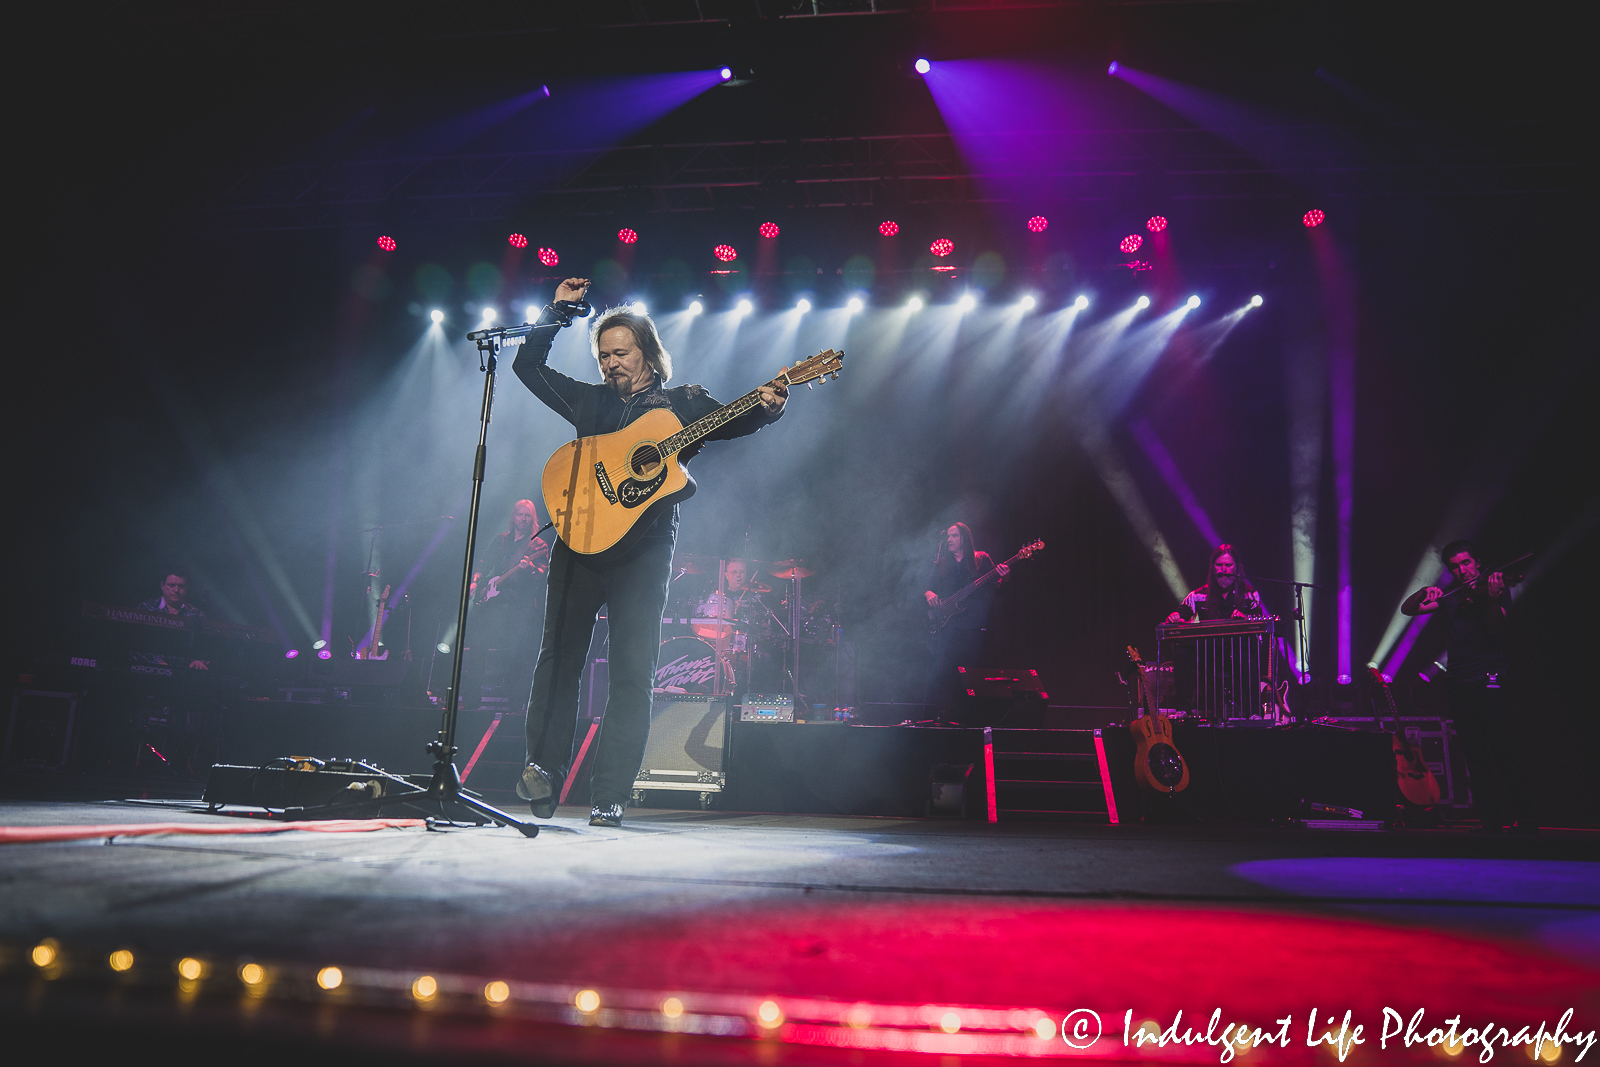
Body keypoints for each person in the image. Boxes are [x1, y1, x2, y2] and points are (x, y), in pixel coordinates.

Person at [512, 278, 788, 827]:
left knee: (632, 673)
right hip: (580, 540)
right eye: (605, 354)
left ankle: (610, 792)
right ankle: (541, 772)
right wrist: (557, 312)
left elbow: (735, 422)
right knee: (557, 662)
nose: (612, 363)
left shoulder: (684, 403)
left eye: (622, 352)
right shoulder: (589, 401)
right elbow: (527, 367)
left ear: (647, 351)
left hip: (645, 551)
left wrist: (768, 408)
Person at [1401, 540, 1530, 833]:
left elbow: (1495, 628)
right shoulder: (1449, 596)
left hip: (1490, 677)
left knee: (1503, 748)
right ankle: (1491, 820)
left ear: (1478, 563)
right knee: (1474, 753)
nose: (1462, 570)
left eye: (1466, 563)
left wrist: (1493, 599)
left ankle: (1525, 817)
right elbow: (1408, 610)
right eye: (1455, 566)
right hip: (1459, 682)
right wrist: (1424, 591)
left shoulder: (1496, 590)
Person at [470, 498, 551, 711]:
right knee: (477, 648)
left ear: (533, 519)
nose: (523, 519)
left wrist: (530, 567)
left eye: (527, 516)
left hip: (520, 608)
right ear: (513, 517)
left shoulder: (538, 545)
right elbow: (484, 563)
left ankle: (515, 707)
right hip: (495, 605)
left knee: (519, 656)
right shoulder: (501, 541)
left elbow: (542, 574)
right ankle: (471, 701)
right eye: (520, 514)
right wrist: (476, 581)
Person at [923, 523, 1009, 717]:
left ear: (964, 539)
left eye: (953, 536)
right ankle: (945, 716)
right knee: (945, 674)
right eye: (948, 537)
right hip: (948, 627)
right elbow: (928, 586)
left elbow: (999, 590)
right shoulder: (943, 562)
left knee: (970, 677)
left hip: (974, 628)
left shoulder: (981, 559)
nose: (949, 540)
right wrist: (929, 593)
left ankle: (971, 718)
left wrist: (1005, 577)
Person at [1166, 543, 1264, 623]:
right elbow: (1181, 613)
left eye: (1228, 565)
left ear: (1236, 567)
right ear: (1213, 568)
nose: (1223, 569)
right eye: (1219, 565)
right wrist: (1175, 616)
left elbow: (1260, 623)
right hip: (1209, 646)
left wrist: (1245, 619)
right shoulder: (1197, 596)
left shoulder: (1250, 594)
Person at [136, 570, 210, 670]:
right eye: (171, 585)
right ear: (162, 586)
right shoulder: (147, 608)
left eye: (181, 586)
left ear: (187, 588)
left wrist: (199, 661)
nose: (176, 590)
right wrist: (158, 663)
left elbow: (207, 646)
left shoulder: (196, 615)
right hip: (148, 671)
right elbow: (137, 644)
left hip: (183, 675)